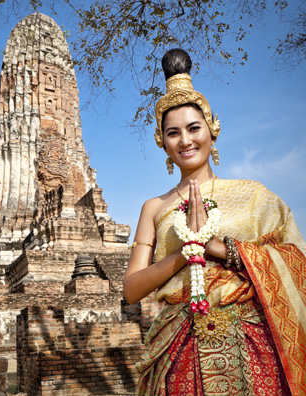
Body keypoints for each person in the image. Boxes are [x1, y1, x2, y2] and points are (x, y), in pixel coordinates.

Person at [124, 48, 306, 396]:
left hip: (253, 346)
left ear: (213, 128)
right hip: (180, 349)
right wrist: (186, 251)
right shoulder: (154, 207)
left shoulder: (255, 196)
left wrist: (216, 248)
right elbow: (132, 289)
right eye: (173, 133)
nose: (186, 140)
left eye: (194, 128)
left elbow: (296, 259)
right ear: (162, 142)